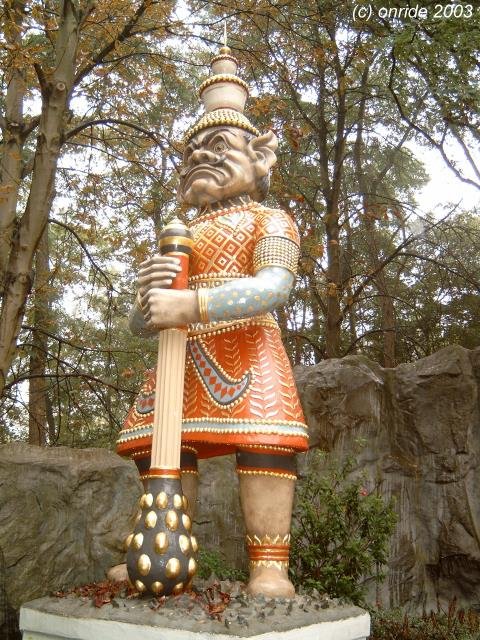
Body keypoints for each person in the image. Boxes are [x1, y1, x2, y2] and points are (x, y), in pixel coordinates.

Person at [116, 45, 308, 597]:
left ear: (260, 157)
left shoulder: (271, 218)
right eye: (193, 151)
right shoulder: (179, 232)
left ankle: (269, 565)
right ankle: (159, 549)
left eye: (219, 146)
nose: (201, 156)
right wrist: (148, 299)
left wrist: (192, 306)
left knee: (264, 445)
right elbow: (140, 322)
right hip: (180, 356)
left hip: (248, 350)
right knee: (163, 448)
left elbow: (274, 288)